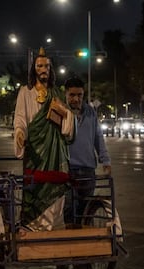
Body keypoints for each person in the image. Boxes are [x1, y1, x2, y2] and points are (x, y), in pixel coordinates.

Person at [14, 47, 75, 231]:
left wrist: (65, 113)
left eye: (47, 66)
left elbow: (68, 118)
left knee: (55, 186)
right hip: (35, 150)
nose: (43, 69)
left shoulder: (56, 92)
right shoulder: (25, 91)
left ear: (51, 69)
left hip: (56, 152)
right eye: (40, 66)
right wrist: (19, 132)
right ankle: (34, 228)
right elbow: (20, 118)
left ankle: (54, 227)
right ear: (34, 69)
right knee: (36, 187)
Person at [63, 76, 111, 225]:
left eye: (80, 95)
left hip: (88, 170)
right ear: (66, 94)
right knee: (70, 208)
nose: (76, 99)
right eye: (72, 95)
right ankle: (72, 241)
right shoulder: (60, 112)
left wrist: (105, 160)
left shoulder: (90, 112)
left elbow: (98, 137)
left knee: (86, 211)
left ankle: (85, 242)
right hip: (67, 170)